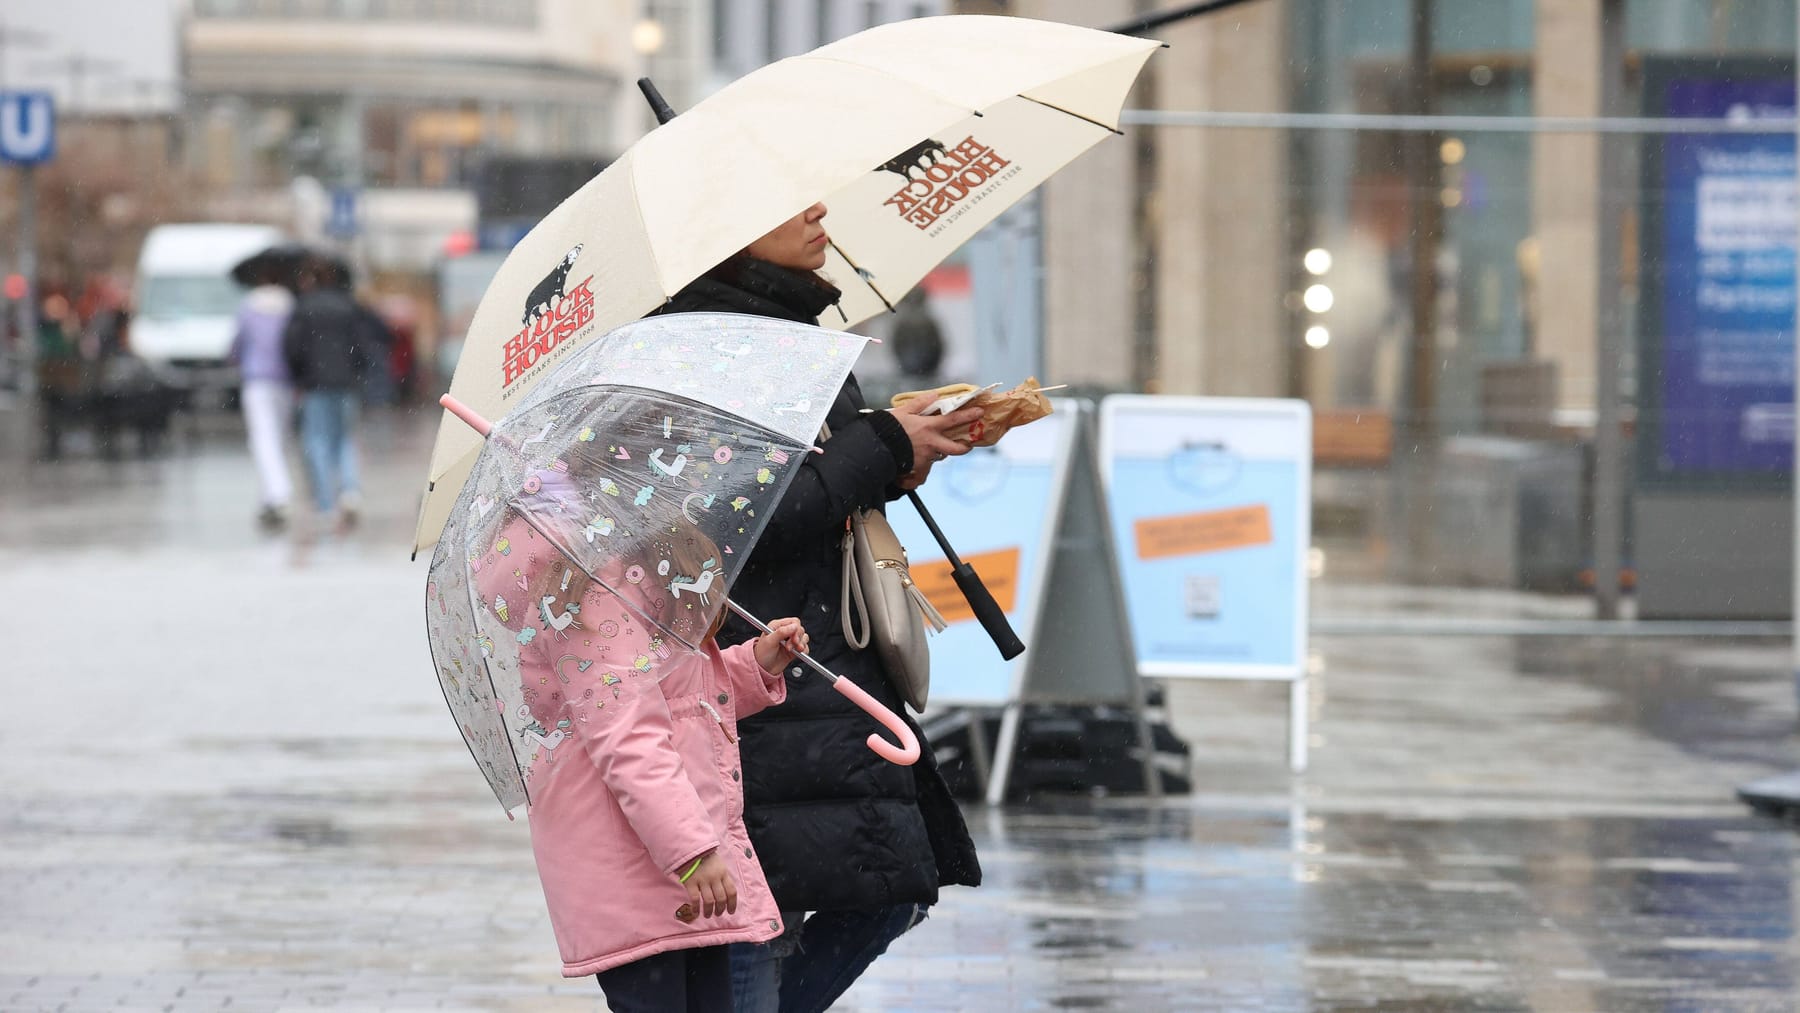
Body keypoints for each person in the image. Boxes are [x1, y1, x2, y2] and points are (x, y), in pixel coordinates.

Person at [654, 201, 985, 1013]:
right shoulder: (709, 346)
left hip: (817, 656)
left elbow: (812, 487)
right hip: (758, 660)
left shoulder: (787, 327)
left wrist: (896, 457)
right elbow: (740, 519)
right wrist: (883, 444)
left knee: (870, 891)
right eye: (778, 204)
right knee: (761, 913)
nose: (817, 212)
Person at [472, 481, 811, 1013]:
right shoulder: (593, 591)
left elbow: (676, 700)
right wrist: (693, 853)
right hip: (636, 854)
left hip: (667, 850)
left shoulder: (635, 574)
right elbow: (626, 738)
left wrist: (752, 666)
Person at [282, 258, 371, 531]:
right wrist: (356, 372)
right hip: (345, 383)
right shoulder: (349, 307)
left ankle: (325, 503)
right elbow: (362, 346)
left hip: (315, 384)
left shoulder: (303, 307)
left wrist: (299, 375)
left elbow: (292, 348)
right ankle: (350, 491)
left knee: (317, 441)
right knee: (344, 438)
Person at [229, 265, 297, 529]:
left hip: (257, 380)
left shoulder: (249, 307)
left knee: (262, 438)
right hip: (285, 381)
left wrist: (236, 357)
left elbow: (237, 343)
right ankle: (272, 493)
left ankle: (277, 493)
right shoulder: (290, 307)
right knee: (279, 438)